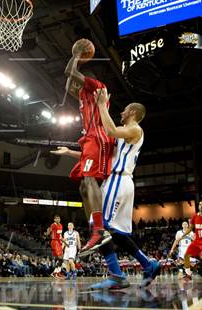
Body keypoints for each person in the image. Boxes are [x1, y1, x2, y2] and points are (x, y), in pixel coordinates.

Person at [87, 87, 160, 289]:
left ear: (133, 113)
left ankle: (116, 275)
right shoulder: (123, 136)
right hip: (119, 182)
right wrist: (70, 153)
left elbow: (110, 129)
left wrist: (102, 104)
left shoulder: (136, 129)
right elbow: (105, 144)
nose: (121, 113)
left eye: (124, 110)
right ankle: (148, 264)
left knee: (100, 227)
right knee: (116, 233)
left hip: (119, 182)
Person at [52, 39, 115, 253]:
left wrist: (77, 54)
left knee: (89, 180)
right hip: (88, 139)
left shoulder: (97, 87)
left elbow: (70, 71)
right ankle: (93, 225)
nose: (75, 86)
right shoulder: (81, 94)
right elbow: (68, 82)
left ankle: (99, 228)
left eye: (79, 82)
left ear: (87, 80)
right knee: (82, 186)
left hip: (98, 136)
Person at [169, 201, 202, 280]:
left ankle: (192, 270)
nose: (201, 205)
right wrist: (172, 249)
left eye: (186, 224)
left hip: (196, 243)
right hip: (190, 245)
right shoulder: (179, 232)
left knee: (194, 261)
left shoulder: (191, 233)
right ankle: (187, 273)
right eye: (200, 204)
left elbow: (193, 236)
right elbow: (190, 229)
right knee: (184, 258)